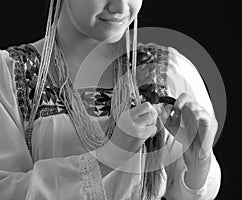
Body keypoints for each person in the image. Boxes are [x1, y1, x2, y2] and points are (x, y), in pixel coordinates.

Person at [0, 0, 221, 199]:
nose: (120, 8)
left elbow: (188, 194)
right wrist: (109, 157)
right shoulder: (8, 74)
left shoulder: (168, 71)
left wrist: (199, 161)